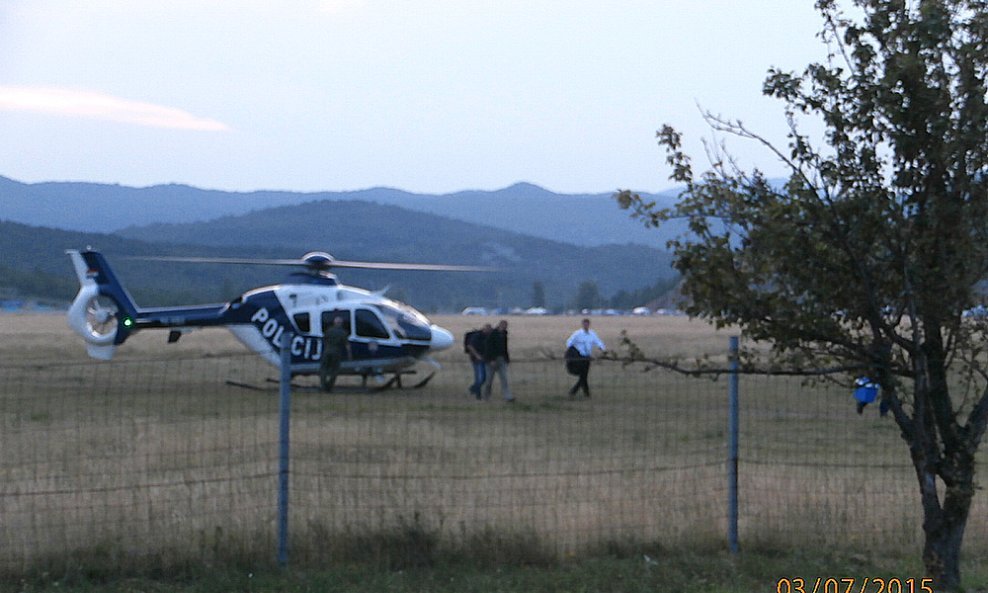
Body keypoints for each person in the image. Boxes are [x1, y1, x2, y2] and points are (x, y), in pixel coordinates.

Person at [565, 318, 606, 398]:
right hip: (579, 357)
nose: (586, 325)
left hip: (587, 358)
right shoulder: (577, 334)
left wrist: (602, 348)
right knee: (583, 376)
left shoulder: (592, 334)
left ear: (589, 324)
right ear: (582, 324)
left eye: (587, 324)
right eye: (584, 324)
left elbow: (598, 342)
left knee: (584, 376)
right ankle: (576, 392)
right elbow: (569, 343)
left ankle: (584, 393)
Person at [482, 320, 514, 402]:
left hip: (501, 359)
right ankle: (486, 396)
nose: (505, 327)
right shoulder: (492, 335)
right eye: (504, 325)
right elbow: (488, 348)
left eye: (506, 326)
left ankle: (508, 397)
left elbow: (505, 347)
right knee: (489, 380)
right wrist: (491, 359)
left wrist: (507, 359)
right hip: (491, 361)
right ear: (500, 325)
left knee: (504, 379)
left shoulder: (504, 334)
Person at [319, 315, 351, 392]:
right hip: (336, 353)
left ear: (334, 323)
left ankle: (323, 386)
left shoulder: (329, 330)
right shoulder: (343, 332)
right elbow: (347, 345)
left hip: (327, 351)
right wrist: (350, 355)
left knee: (323, 369)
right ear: (341, 323)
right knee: (334, 370)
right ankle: (329, 386)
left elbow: (324, 340)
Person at [464, 324, 491, 400]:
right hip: (476, 359)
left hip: (485, 359)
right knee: (480, 378)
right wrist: (477, 355)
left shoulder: (488, 336)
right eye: (487, 330)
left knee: (482, 378)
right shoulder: (477, 336)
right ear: (484, 329)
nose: (488, 332)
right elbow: (470, 346)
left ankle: (476, 392)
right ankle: (473, 391)